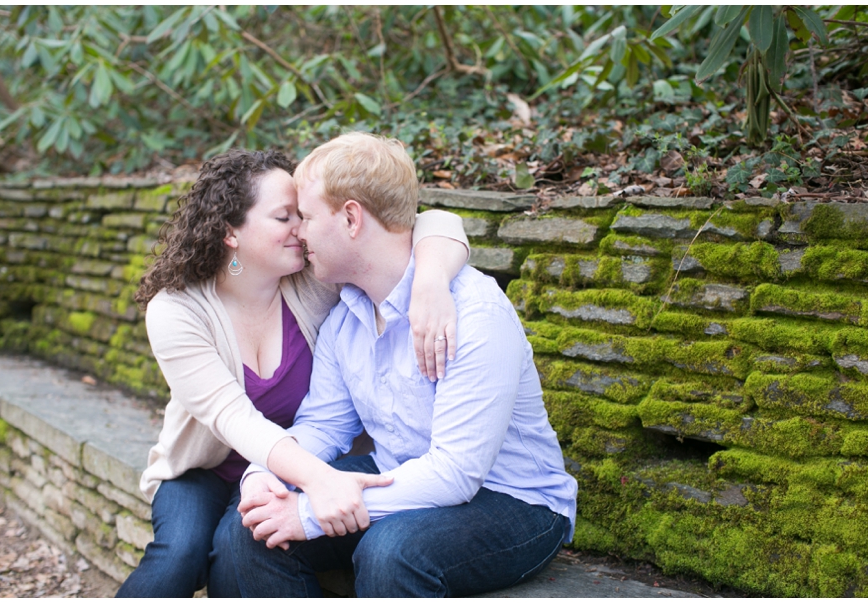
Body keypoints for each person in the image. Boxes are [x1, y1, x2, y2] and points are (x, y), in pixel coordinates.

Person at [231, 133, 578, 598]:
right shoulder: (344, 319)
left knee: (392, 550)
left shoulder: (473, 313)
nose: (300, 232)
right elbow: (325, 425)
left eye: (308, 217)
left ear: (352, 218)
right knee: (248, 533)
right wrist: (264, 476)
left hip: (513, 501)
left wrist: (310, 513)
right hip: (399, 469)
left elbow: (456, 472)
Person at [116, 148, 469, 597]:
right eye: (285, 217)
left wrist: (431, 280)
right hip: (209, 470)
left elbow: (434, 222)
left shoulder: (313, 280)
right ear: (230, 232)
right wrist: (318, 481)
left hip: (309, 458)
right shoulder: (177, 310)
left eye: (302, 215)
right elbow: (234, 420)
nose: (302, 229)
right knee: (179, 555)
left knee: (242, 543)